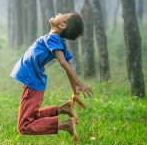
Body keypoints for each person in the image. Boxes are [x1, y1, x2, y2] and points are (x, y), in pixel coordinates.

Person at [10, 12, 93, 144]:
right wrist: (74, 91)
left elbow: (64, 62)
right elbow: (67, 64)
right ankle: (63, 109)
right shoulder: (56, 40)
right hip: (33, 82)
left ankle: (65, 125)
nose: (60, 13)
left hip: (33, 83)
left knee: (24, 126)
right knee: (31, 116)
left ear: (62, 25)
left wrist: (79, 83)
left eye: (63, 15)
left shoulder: (53, 38)